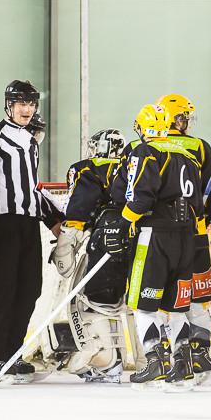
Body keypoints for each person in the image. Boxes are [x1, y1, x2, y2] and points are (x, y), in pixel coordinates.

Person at [0, 80, 64, 382]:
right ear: (9, 105)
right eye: (21, 103)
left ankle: (11, 355)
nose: (27, 109)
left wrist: (53, 220)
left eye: (32, 103)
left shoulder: (31, 142)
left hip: (26, 225)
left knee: (29, 289)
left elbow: (31, 189)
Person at [106, 104, 203, 391]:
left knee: (142, 304)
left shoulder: (145, 152)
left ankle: (155, 361)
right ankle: (183, 365)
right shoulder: (187, 155)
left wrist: (122, 224)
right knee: (177, 306)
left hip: (155, 235)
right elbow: (199, 203)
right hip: (186, 236)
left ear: (141, 127)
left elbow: (140, 197)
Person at [50, 128, 129, 383]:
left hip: (105, 238)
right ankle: (146, 360)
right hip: (136, 239)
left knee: (91, 302)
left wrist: (66, 243)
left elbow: (79, 209)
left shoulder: (88, 168)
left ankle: (107, 363)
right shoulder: (134, 164)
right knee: (132, 305)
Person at [155, 93, 211, 381]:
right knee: (196, 295)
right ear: (176, 119)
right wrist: (205, 216)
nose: (187, 122)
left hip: (156, 236)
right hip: (194, 235)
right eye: (184, 117)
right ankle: (199, 352)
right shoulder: (198, 146)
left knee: (157, 296)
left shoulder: (146, 145)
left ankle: (161, 352)